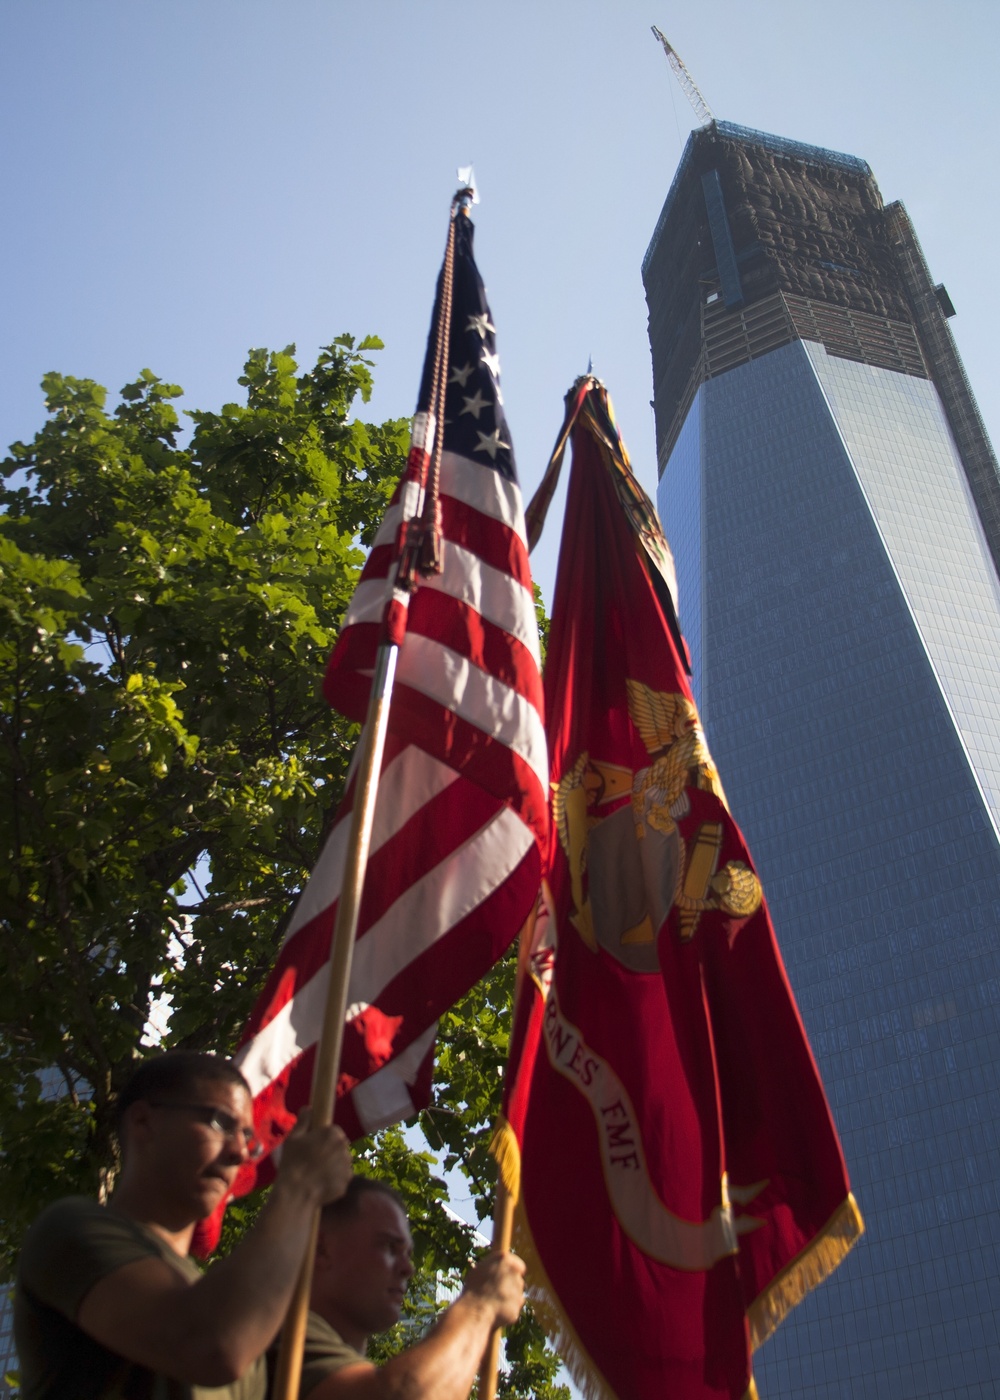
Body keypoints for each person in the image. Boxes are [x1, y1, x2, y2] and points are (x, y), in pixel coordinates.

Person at [15, 1049, 354, 1399]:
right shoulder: (70, 1229)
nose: (240, 1152)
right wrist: (298, 1189)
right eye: (222, 1123)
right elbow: (211, 1346)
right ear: (144, 1122)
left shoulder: (242, 1306)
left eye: (249, 1140)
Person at [289, 1176, 526, 1399]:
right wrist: (480, 1306)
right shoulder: (283, 1339)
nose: (407, 1268)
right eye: (390, 1247)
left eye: (408, 1254)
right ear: (322, 1249)